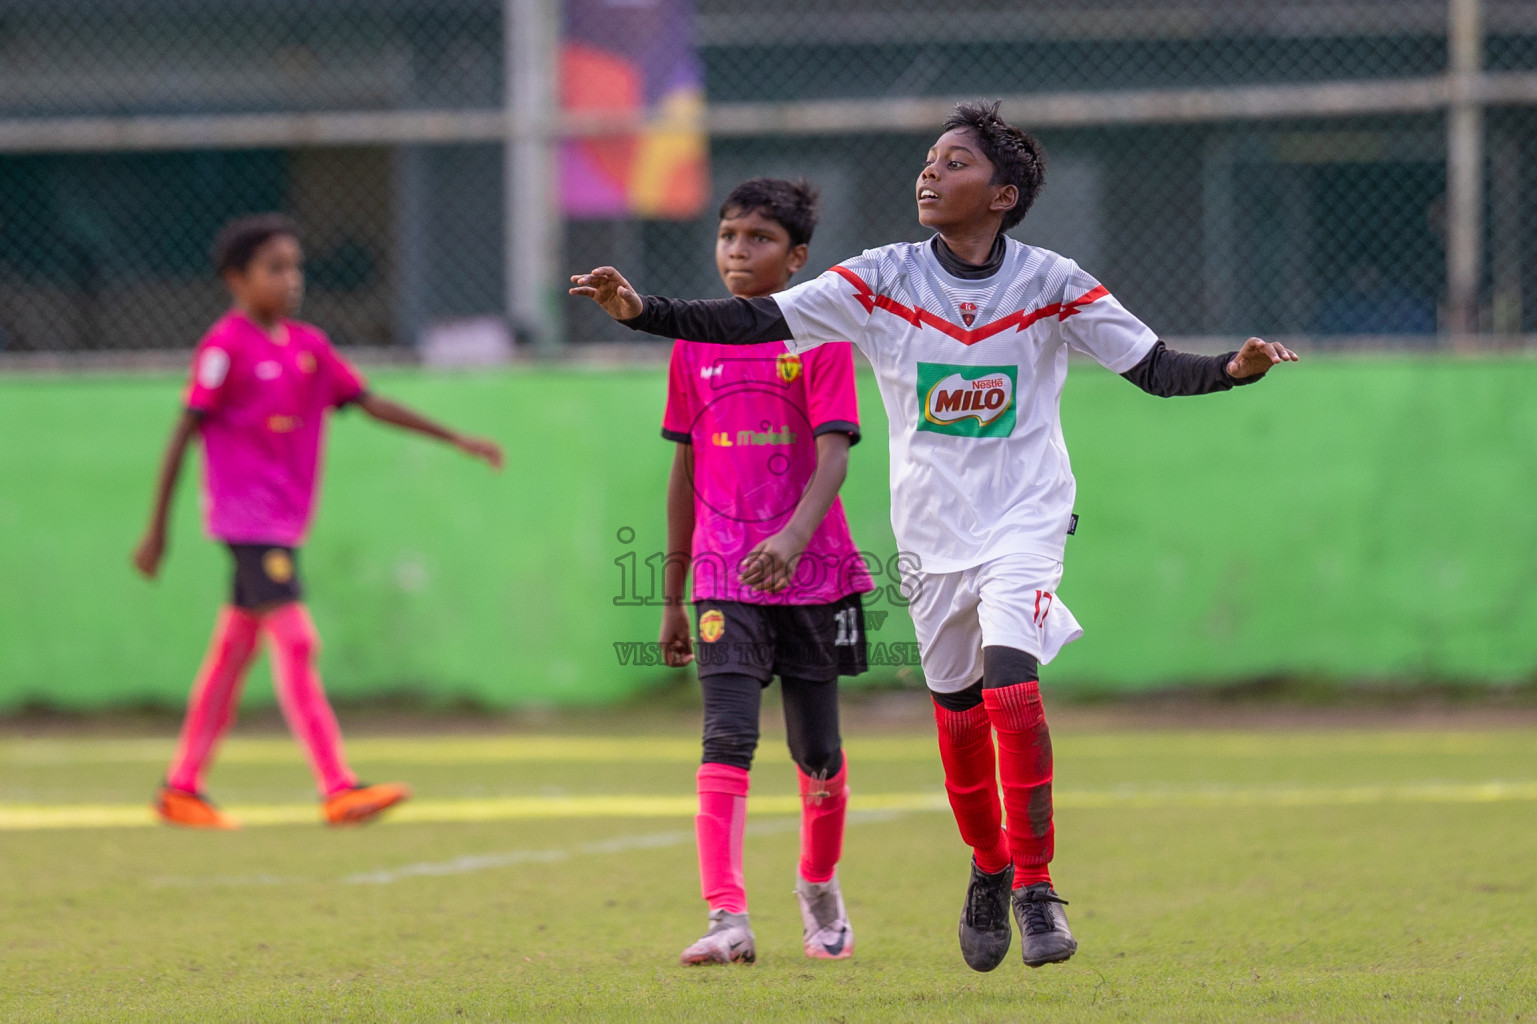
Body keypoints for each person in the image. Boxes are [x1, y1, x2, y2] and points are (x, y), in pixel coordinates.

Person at [571, 101, 1298, 973]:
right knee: (956, 718)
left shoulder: (1053, 283)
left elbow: (1152, 366)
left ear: (1003, 193)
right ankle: (986, 866)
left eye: (953, 163)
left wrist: (1230, 370)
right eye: (929, 159)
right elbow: (756, 321)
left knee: (1012, 690)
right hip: (931, 540)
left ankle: (1033, 886)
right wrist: (640, 309)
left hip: (1024, 521)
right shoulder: (877, 278)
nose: (929, 173)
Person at [133, 213, 504, 830]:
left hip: (281, 522)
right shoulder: (224, 347)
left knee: (233, 651)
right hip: (245, 520)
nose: (291, 279)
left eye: (295, 266)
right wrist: (158, 529)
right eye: (274, 268)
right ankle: (337, 785)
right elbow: (184, 430)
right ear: (236, 278)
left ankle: (182, 787)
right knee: (298, 641)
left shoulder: (308, 347)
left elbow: (369, 402)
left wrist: (456, 438)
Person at [660, 178, 873, 965]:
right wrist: (673, 592)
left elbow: (834, 458)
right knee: (725, 737)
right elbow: (682, 477)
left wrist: (789, 540)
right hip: (720, 577)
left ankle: (818, 885)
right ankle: (727, 919)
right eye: (727, 236)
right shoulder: (693, 343)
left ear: (798, 258)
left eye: (758, 239)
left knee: (816, 752)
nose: (738, 252)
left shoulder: (818, 338)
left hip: (812, 575)